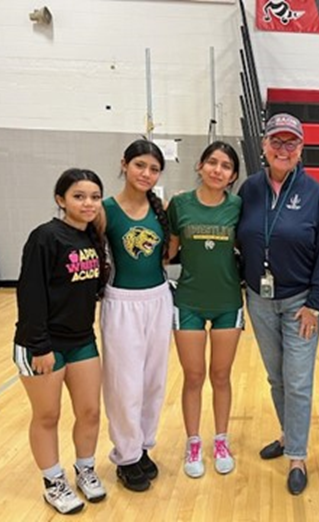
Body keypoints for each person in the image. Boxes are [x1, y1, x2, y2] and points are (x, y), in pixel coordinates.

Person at [236, 113, 319, 496]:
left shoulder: (315, 194)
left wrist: (315, 302)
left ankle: (297, 455)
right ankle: (286, 432)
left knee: (296, 380)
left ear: (301, 149)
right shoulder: (249, 189)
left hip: (300, 304)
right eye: (276, 142)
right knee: (276, 377)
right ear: (264, 147)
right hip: (259, 300)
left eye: (290, 143)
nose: (283, 149)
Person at [13, 169, 108, 515]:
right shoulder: (46, 237)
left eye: (94, 197)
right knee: (48, 415)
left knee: (90, 412)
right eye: (79, 196)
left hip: (81, 339)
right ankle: (53, 481)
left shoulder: (93, 238)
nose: (88, 203)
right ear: (60, 200)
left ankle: (85, 469)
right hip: (42, 343)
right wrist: (40, 346)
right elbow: (31, 293)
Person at [100, 139, 173, 492]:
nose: (146, 173)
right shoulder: (105, 210)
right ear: (124, 164)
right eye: (140, 165)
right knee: (123, 384)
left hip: (158, 299)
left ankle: (143, 446)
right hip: (122, 303)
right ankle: (126, 456)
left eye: (154, 168)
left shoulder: (162, 210)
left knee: (153, 381)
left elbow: (167, 256)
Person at [166, 141, 243, 478]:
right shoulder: (180, 205)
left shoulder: (239, 206)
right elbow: (167, 253)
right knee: (194, 376)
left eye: (225, 166)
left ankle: (221, 440)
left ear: (233, 176)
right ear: (199, 166)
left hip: (228, 302)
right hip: (189, 302)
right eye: (212, 162)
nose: (217, 170)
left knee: (221, 375)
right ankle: (194, 441)